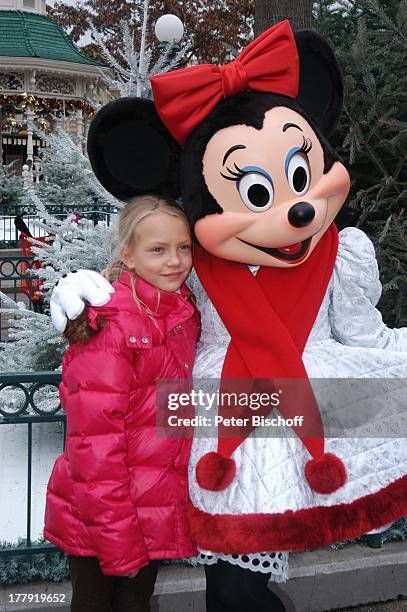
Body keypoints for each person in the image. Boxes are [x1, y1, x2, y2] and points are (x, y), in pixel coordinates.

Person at [44, 194, 200, 612]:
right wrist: (120, 543)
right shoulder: (112, 325)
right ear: (128, 256)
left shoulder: (181, 313)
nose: (175, 261)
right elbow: (93, 448)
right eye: (158, 249)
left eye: (183, 247)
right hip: (103, 519)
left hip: (147, 508)